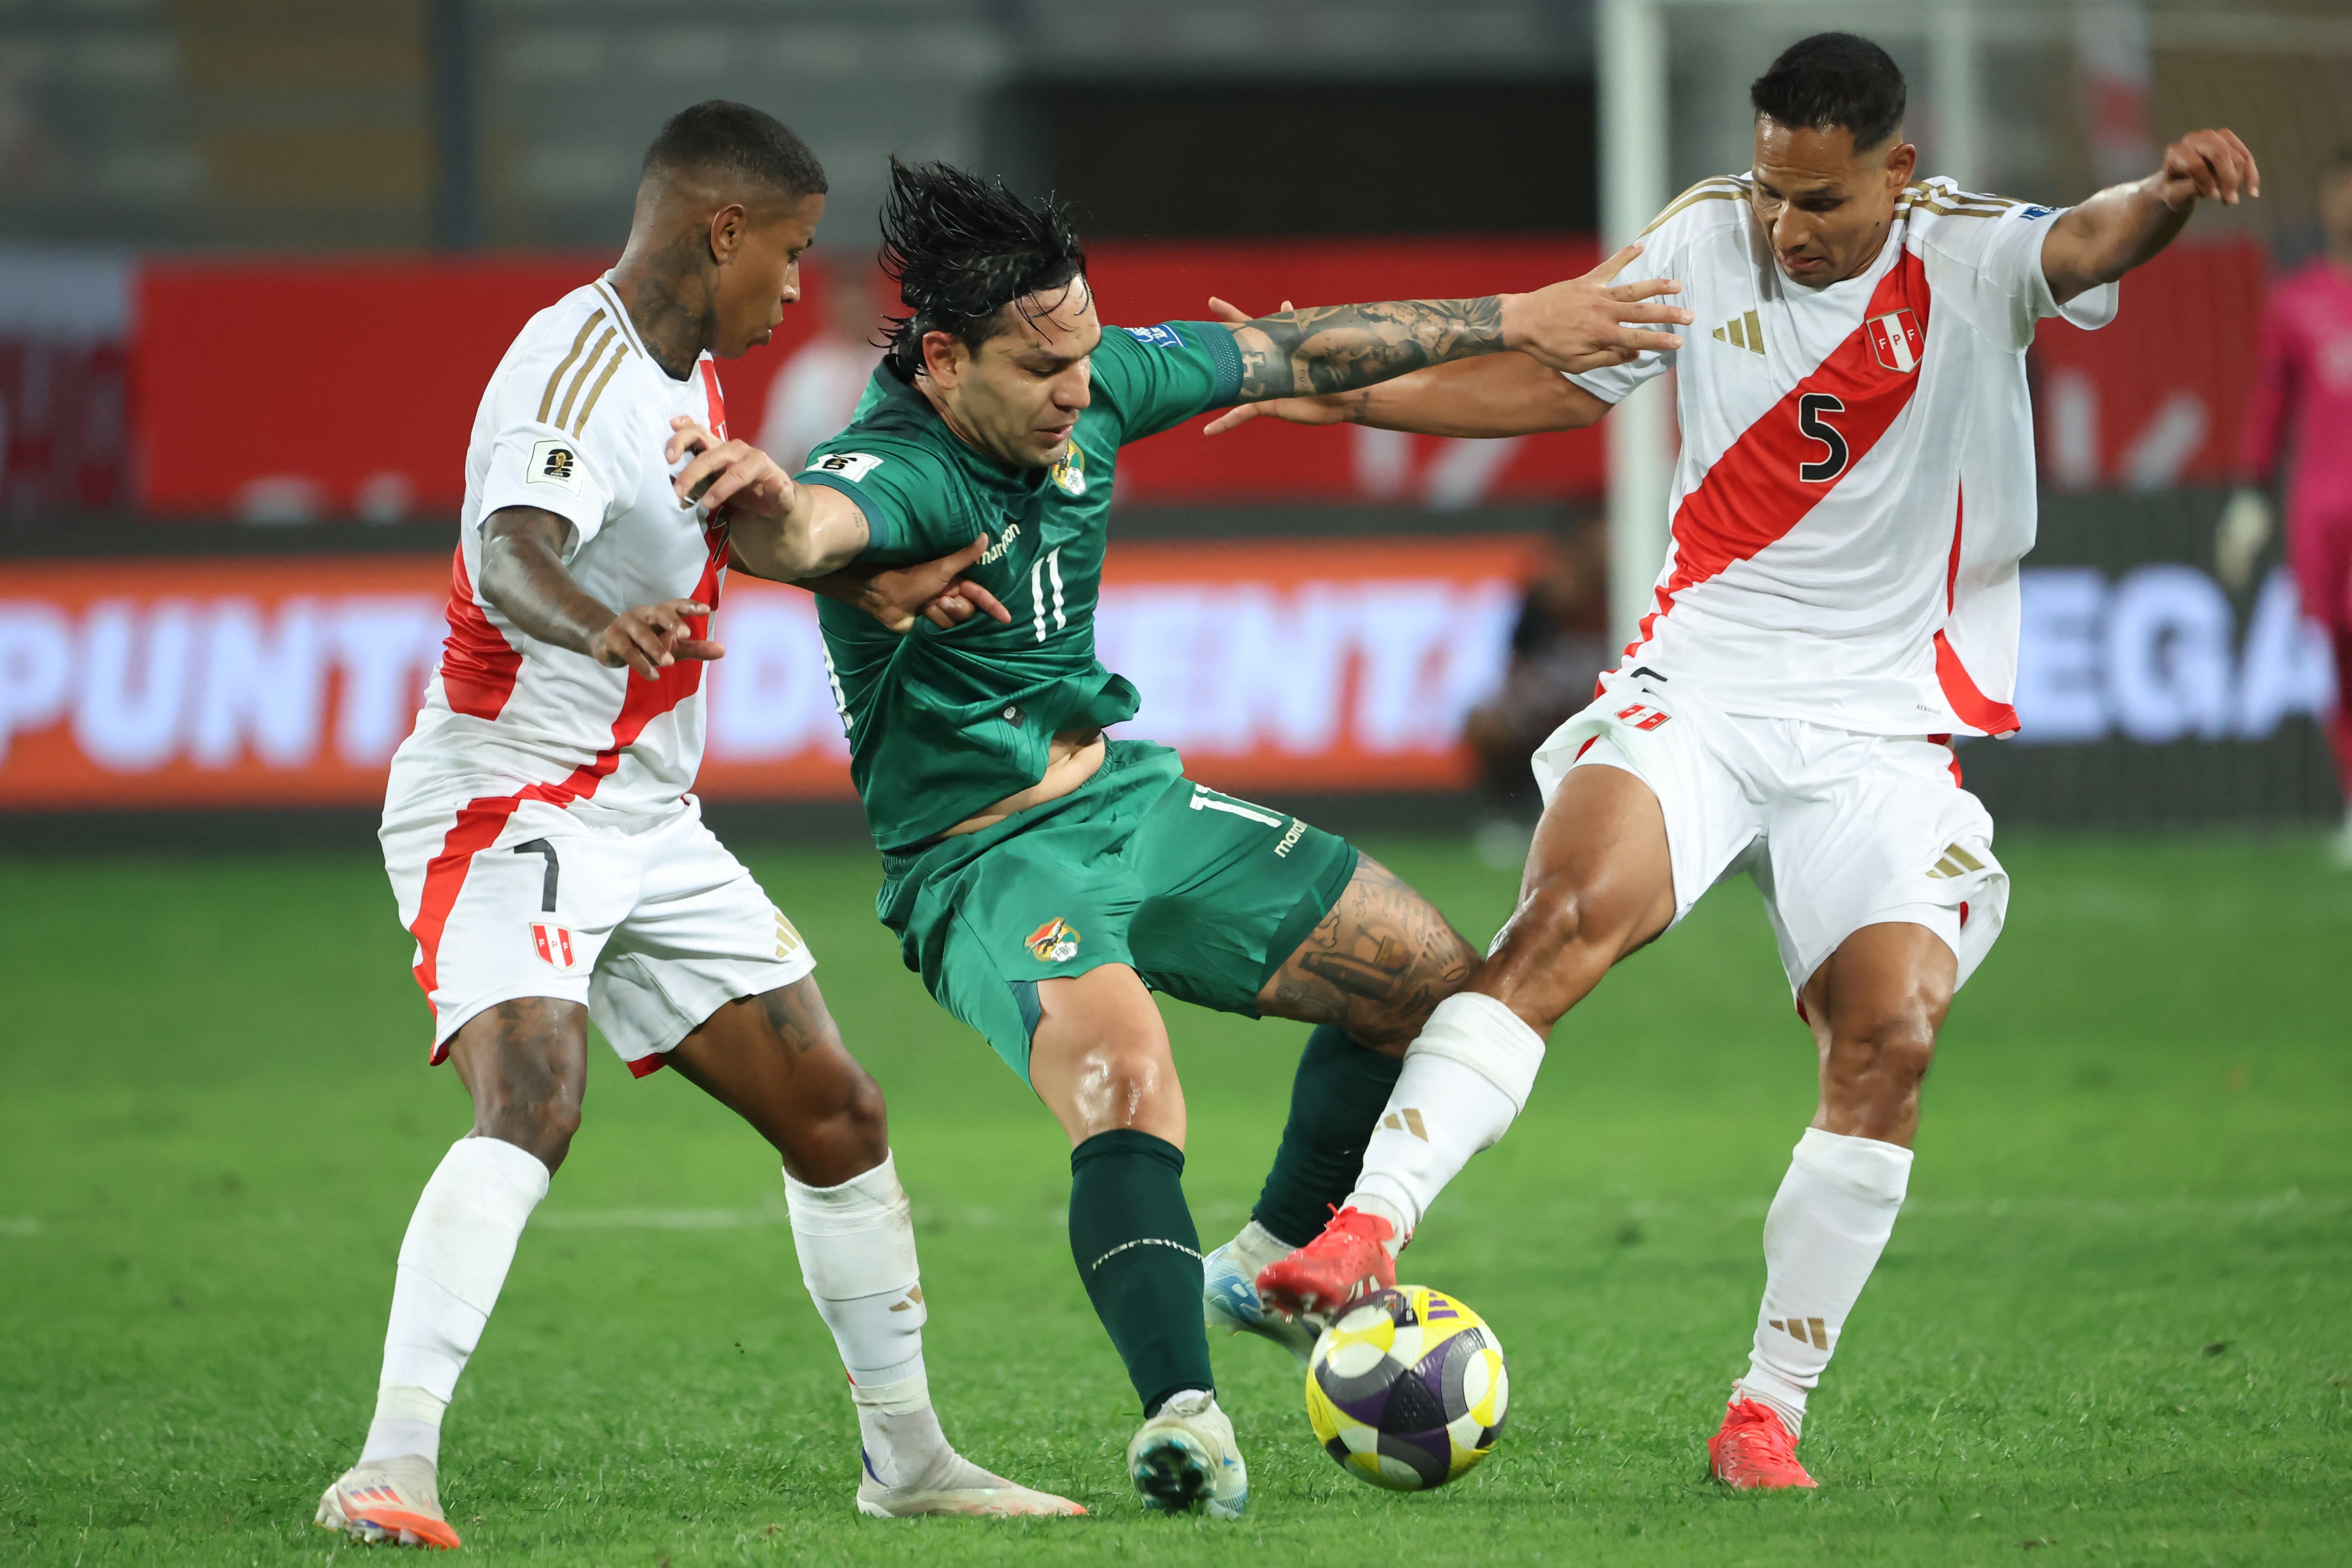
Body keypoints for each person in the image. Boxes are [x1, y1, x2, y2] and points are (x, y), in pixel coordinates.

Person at [1223, 32, 2258, 1491]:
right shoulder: (1701, 240)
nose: (1787, 226)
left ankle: (1764, 1408)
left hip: (1883, 726)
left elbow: (2088, 239)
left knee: (1887, 1034)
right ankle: (1366, 1227)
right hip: (1697, 685)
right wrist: (1342, 395)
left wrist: (2164, 190)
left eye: (1822, 200)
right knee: (1562, 921)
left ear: (1897, 174)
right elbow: (1553, 384)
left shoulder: (1969, 254)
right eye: (1775, 191)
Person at [663, 155, 1689, 1517]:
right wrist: (763, 509)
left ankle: (1262, 1259)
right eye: (1045, 371)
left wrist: (1524, 316)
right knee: (1129, 1080)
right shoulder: (898, 466)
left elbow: (1292, 351)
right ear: (950, 358)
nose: (1080, 392)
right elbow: (811, 524)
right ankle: (1184, 1412)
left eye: (1088, 354)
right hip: (989, 859)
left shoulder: (1089, 386)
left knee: (1434, 989)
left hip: (1132, 802)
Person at [315, 102, 1084, 1548]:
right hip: (511, 792)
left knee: (838, 1113)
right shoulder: (573, 363)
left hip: (647, 818)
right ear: (720, 229)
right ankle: (389, 1463)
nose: (799, 286)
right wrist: (600, 623)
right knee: (534, 1098)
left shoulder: (687, 383)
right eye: (789, 253)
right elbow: (511, 547)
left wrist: (870, 589)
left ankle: (909, 1459)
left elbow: (704, 534)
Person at [2217, 149, 2352, 864]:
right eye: (2343, 185)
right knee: (2340, 661)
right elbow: (2270, 407)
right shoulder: (2298, 302)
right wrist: (2250, 497)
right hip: (2323, 512)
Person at [757, 260, 892, 470]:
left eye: (860, 304)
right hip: (825, 485)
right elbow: (780, 450)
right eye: (848, 305)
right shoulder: (806, 373)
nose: (855, 313)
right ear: (829, 306)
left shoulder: (902, 360)